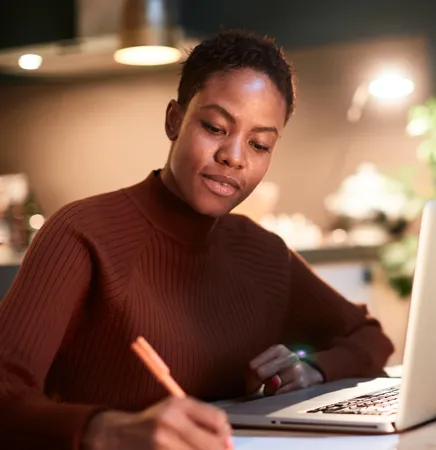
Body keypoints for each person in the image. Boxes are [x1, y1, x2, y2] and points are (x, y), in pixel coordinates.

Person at [0, 29, 394, 450]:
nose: (234, 157)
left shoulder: (262, 252)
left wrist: (312, 369)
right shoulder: (81, 234)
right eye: (215, 127)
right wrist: (109, 430)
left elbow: (370, 339)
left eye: (259, 144)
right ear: (174, 120)